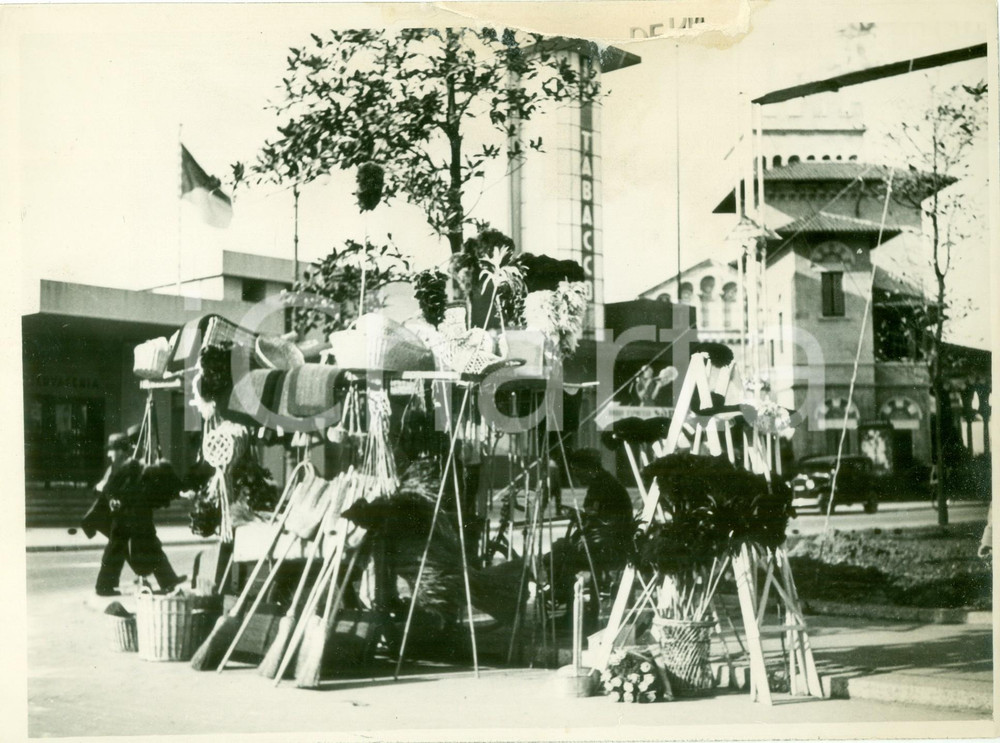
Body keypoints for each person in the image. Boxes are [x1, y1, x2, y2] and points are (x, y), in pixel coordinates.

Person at [85, 432, 184, 596]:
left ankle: (168, 581)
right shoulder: (117, 467)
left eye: (112, 450)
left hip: (135, 515)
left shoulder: (133, 465)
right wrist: (109, 497)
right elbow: (108, 489)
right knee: (119, 550)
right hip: (125, 516)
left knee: (146, 546)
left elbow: (118, 488)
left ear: (122, 451)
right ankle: (104, 586)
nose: (109, 454)